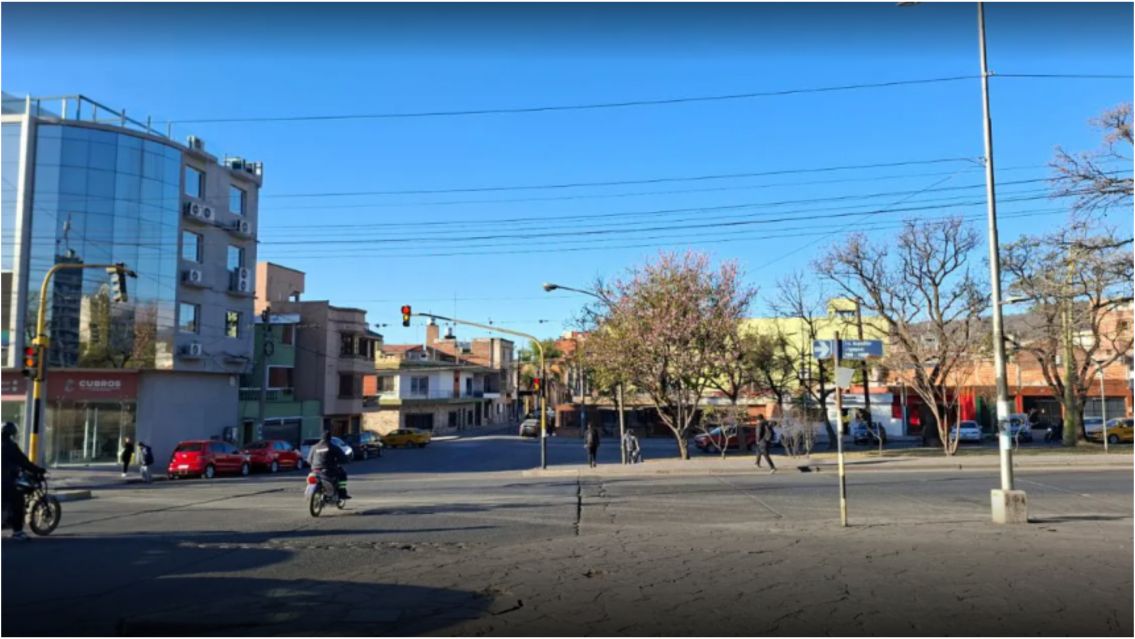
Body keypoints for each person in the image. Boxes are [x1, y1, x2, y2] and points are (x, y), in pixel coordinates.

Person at [2, 422, 46, 541]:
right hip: (5, 480)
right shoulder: (10, 446)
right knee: (18, 502)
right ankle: (18, 532)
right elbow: (24, 462)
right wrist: (38, 470)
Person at [307, 431, 349, 499]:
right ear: (330, 438)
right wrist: (345, 460)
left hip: (315, 470)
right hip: (329, 470)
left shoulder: (314, 447)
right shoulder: (333, 447)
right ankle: (342, 493)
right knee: (343, 475)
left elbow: (308, 460)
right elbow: (342, 458)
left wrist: (314, 464)